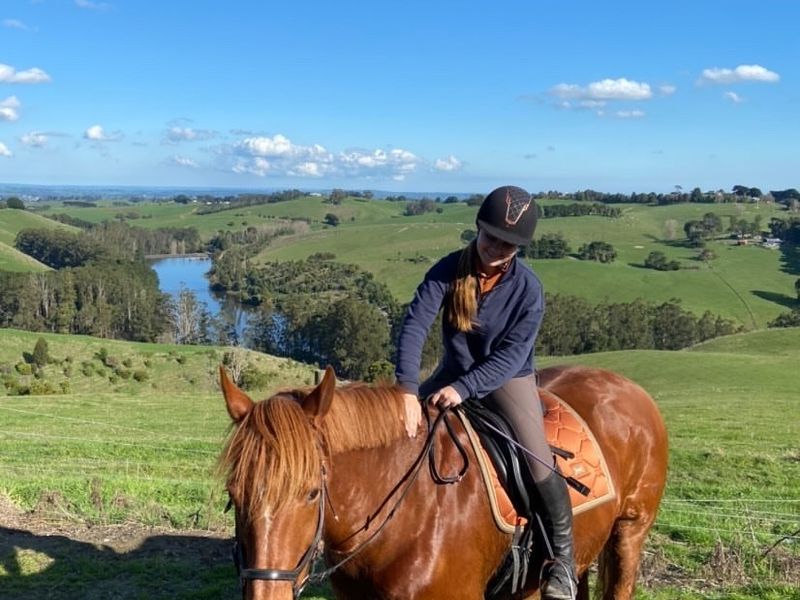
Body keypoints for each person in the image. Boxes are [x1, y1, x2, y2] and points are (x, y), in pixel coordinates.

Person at [395, 185, 577, 600]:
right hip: (451, 373)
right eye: (491, 237)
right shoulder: (447, 270)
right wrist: (407, 390)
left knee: (537, 462)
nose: (497, 247)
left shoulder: (529, 289)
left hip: (507, 380)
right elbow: (414, 325)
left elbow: (513, 355)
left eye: (509, 244)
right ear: (477, 228)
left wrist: (465, 389)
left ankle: (562, 562)